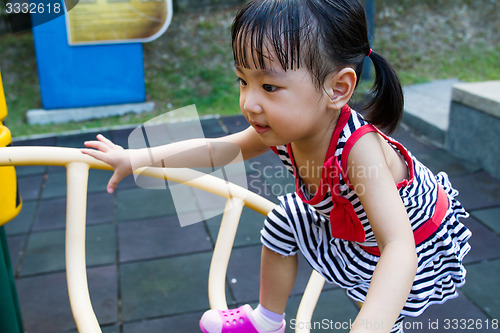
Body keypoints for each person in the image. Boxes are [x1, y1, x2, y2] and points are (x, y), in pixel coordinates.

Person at [82, 0, 471, 332]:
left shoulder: (358, 151)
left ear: (337, 89)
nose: (249, 103)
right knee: (285, 220)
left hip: (409, 236)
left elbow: (398, 247)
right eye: (242, 81)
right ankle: (267, 320)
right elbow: (218, 149)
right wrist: (136, 158)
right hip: (346, 217)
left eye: (269, 87)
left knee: (379, 301)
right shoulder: (283, 127)